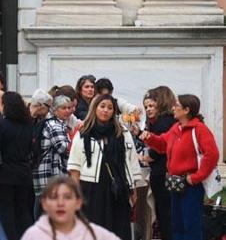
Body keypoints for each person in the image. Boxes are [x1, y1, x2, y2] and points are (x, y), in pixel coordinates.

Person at [141, 94, 220, 240]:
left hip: (191, 185)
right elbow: (162, 144)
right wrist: (149, 137)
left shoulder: (199, 129)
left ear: (186, 110)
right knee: (177, 225)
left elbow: (212, 155)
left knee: (191, 226)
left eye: (176, 105)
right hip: (175, 184)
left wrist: (196, 177)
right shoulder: (176, 128)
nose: (173, 108)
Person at [68, 94, 143, 240]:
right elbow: (75, 166)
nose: (106, 110)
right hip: (91, 188)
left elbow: (131, 160)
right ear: (95, 108)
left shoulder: (122, 132)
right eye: (102, 106)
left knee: (118, 228)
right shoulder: (84, 132)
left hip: (118, 187)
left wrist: (133, 189)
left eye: (110, 108)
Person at [0, 92, 34, 240]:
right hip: (24, 173)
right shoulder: (28, 125)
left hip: (4, 175)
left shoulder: (0, 125)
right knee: (23, 211)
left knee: (5, 212)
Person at [22, 175, 121, 240]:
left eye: (67, 197)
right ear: (44, 203)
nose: (60, 203)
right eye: (54, 197)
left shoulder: (96, 235)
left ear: (78, 202)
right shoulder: (33, 236)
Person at [139, 86, 176, 240]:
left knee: (165, 214)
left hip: (162, 173)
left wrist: (143, 157)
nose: (148, 109)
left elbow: (159, 149)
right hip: (166, 173)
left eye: (151, 105)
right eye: (146, 106)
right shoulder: (168, 121)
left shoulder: (162, 123)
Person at [32, 95, 71, 218]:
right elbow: (63, 148)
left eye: (69, 108)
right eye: (63, 108)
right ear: (54, 110)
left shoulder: (52, 122)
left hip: (44, 173)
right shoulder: (55, 125)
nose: (67, 111)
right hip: (51, 173)